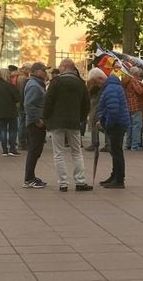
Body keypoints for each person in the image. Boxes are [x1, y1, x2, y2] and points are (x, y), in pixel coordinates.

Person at [44, 58, 92, 192]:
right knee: (77, 152)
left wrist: (47, 118)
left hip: (57, 122)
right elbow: (86, 104)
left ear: (65, 67)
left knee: (58, 153)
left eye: (60, 66)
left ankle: (63, 183)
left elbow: (48, 101)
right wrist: (80, 118)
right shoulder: (80, 83)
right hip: (74, 122)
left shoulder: (56, 82)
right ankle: (80, 182)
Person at [97, 71, 129, 188]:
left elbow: (113, 110)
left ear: (100, 78)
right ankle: (115, 175)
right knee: (115, 151)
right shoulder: (113, 86)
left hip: (117, 124)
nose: (98, 86)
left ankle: (119, 179)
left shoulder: (111, 88)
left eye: (97, 82)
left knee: (116, 152)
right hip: (118, 123)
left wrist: (107, 124)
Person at [22, 62, 49, 188]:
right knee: (34, 150)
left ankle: (31, 176)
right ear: (37, 71)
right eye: (44, 70)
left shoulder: (37, 84)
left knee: (36, 150)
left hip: (37, 122)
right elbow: (29, 105)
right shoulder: (34, 85)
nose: (46, 73)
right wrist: (37, 120)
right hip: (35, 124)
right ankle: (29, 179)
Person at [0, 68, 22, 156]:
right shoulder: (10, 86)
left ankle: (4, 150)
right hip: (11, 110)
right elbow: (17, 98)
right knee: (13, 130)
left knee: (3, 130)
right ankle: (12, 149)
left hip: (0, 110)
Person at [122, 67, 143, 151]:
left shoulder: (126, 80)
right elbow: (140, 91)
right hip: (136, 106)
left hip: (128, 106)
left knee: (129, 126)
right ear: (136, 74)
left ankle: (128, 144)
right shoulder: (133, 80)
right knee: (137, 126)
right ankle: (135, 145)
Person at [85, 68, 105, 151]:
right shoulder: (105, 84)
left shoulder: (97, 85)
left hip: (96, 105)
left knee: (94, 123)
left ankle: (95, 143)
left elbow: (89, 94)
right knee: (100, 124)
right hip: (99, 105)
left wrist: (90, 85)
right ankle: (107, 144)